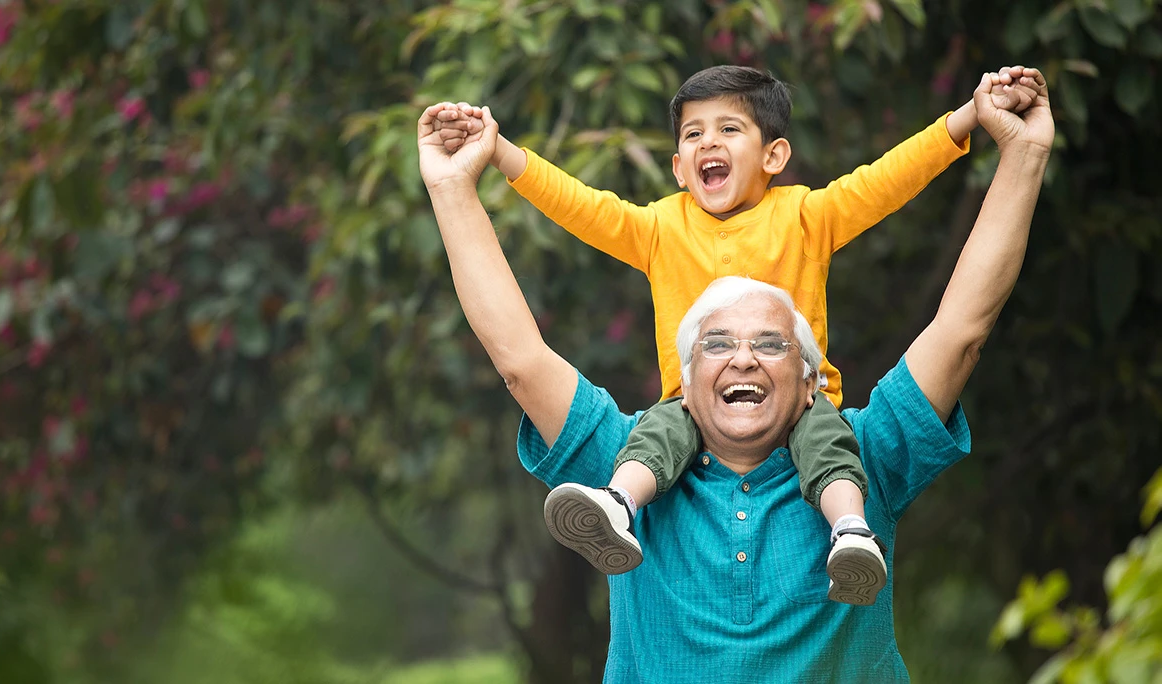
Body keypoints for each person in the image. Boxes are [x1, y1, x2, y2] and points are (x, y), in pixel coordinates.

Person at [418, 67, 1052, 681]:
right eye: (716, 342)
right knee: (633, 474)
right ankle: (618, 509)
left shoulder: (866, 455)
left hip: (833, 465)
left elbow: (960, 323)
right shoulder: (629, 450)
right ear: (687, 373)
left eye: (771, 343)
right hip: (648, 465)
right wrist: (461, 181)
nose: (743, 357)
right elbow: (523, 356)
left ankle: (849, 530)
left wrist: (1012, 148)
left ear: (809, 378)